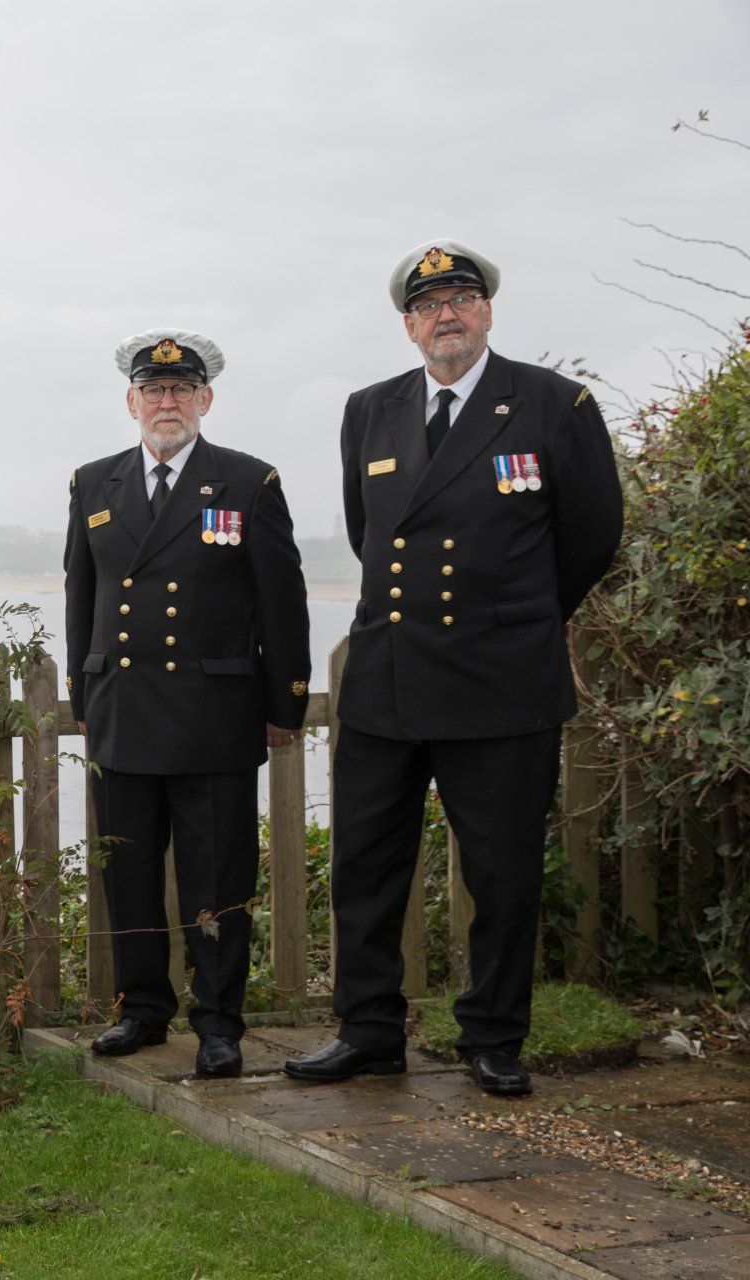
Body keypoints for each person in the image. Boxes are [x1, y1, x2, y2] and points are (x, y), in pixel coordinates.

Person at [284, 240, 623, 1097]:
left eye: (463, 299)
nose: (448, 314)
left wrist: (515, 616)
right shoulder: (370, 410)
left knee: (503, 872)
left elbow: (591, 534)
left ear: (487, 313)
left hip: (502, 680)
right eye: (431, 304)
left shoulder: (553, 404)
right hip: (390, 677)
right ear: (409, 324)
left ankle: (493, 1036)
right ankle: (368, 1031)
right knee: (365, 864)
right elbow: (370, 533)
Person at [65, 329, 310, 1078]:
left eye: (181, 389)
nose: (166, 402)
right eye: (153, 389)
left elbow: (283, 602)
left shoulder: (247, 482)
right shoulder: (93, 483)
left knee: (215, 878)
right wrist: (85, 690)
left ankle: (217, 1019)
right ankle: (142, 1009)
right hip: (125, 711)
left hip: (213, 714)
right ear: (131, 402)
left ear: (205, 400)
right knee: (129, 875)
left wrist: (286, 703)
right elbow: (83, 594)